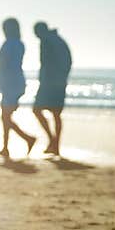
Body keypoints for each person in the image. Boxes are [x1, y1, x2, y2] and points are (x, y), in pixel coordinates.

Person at [0, 18, 35, 158]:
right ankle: (7, 147)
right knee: (6, 116)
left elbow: (2, 63)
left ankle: (25, 140)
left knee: (5, 117)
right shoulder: (20, 44)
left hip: (10, 84)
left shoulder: (8, 44)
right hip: (16, 82)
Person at [32, 21, 72, 156]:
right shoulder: (58, 40)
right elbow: (68, 61)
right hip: (59, 82)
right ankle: (55, 145)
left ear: (39, 31)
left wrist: (45, 80)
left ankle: (53, 142)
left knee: (37, 110)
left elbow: (45, 63)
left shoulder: (46, 41)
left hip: (49, 83)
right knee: (56, 114)